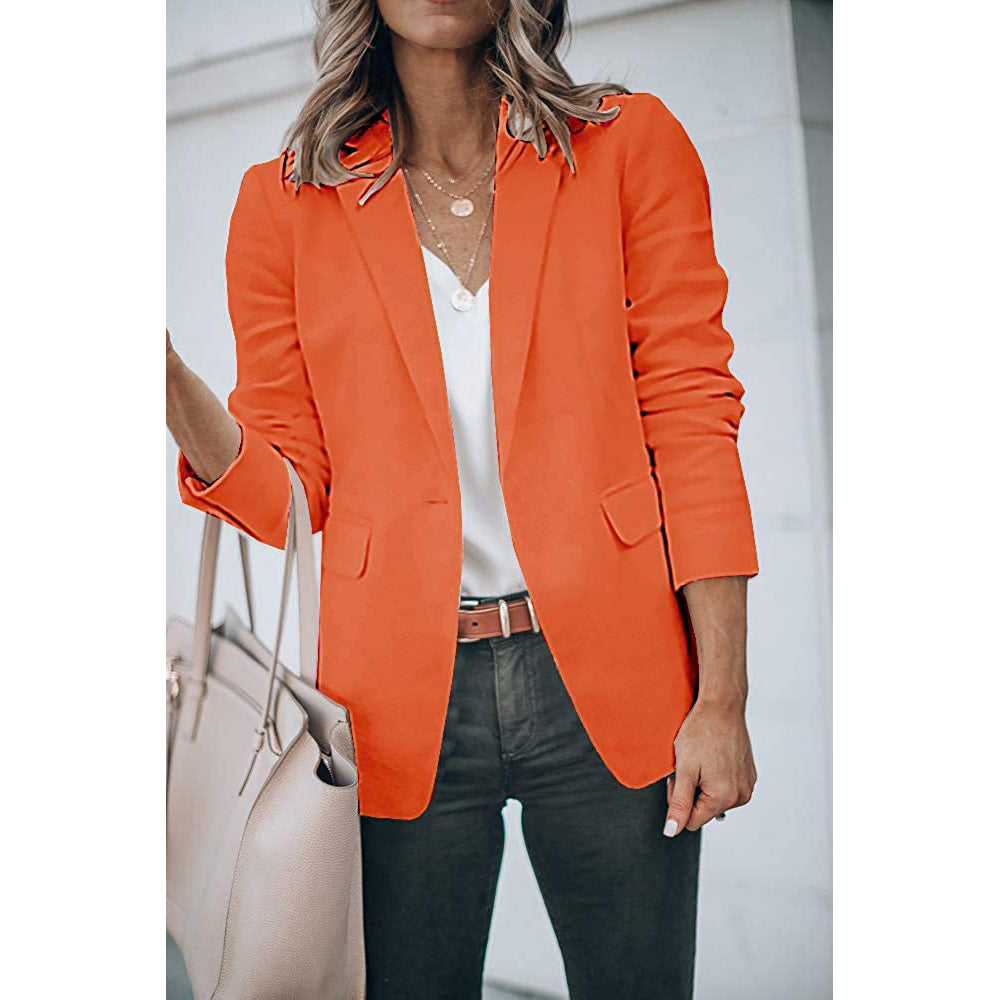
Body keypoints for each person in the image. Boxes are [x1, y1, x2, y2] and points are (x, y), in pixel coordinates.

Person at [166, 0, 759, 996]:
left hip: (615, 680)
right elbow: (287, 499)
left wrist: (722, 697)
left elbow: (691, 421)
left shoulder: (625, 149)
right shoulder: (284, 205)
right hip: (395, 697)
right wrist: (173, 393)